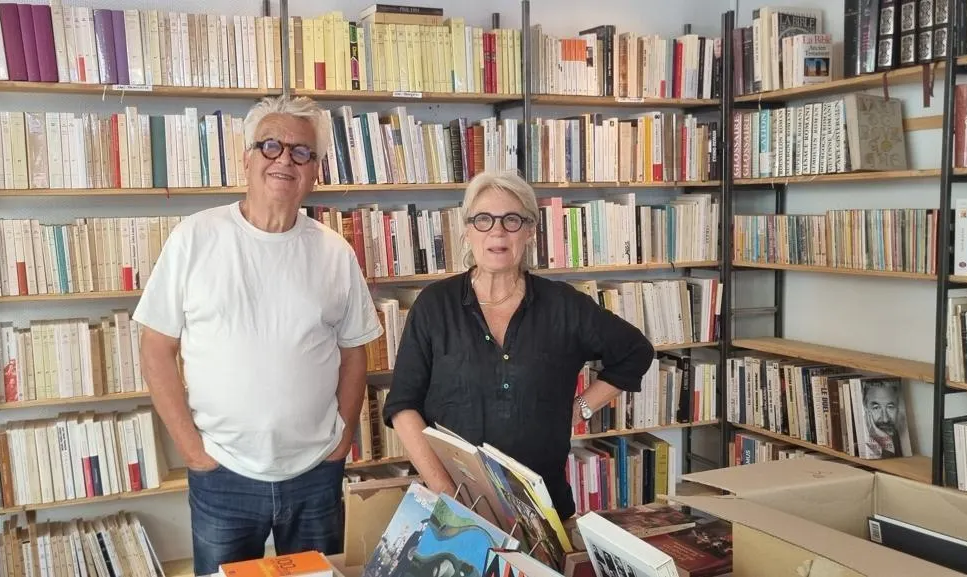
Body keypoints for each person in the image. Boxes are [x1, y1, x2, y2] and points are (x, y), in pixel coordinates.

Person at [133, 94, 382, 574]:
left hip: (315, 471)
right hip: (222, 471)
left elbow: (355, 351)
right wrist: (192, 450)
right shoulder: (194, 239)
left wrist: (343, 438)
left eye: (301, 151)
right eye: (271, 146)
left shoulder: (334, 252)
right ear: (246, 158)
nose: (285, 159)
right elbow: (156, 349)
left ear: (315, 170)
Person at [381, 169, 655, 520]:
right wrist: (447, 495)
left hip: (543, 508)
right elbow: (403, 406)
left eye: (512, 220)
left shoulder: (563, 305)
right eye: (483, 219)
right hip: (453, 505)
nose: (497, 231)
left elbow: (635, 351)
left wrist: (580, 408)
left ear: (530, 231)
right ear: (467, 230)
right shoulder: (435, 305)